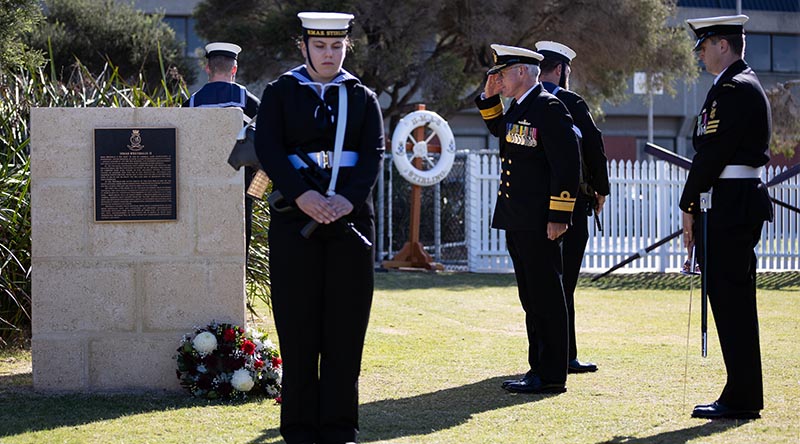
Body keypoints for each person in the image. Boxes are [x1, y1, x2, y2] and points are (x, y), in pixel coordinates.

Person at [254, 12, 384, 443]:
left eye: (336, 46)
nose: (329, 54)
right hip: (295, 222)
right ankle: (298, 427)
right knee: (297, 327)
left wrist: (346, 200)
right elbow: (268, 150)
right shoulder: (280, 93)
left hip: (350, 224)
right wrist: (303, 197)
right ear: (304, 47)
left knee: (346, 330)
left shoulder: (362, 97)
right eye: (320, 46)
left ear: (347, 47)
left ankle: (340, 425)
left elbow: (372, 156)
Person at [681, 14, 772, 420]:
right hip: (730, 200)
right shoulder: (733, 86)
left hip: (731, 203)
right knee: (730, 300)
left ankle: (742, 396)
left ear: (723, 44)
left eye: (704, 45)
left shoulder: (734, 89)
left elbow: (712, 154)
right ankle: (741, 391)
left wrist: (687, 203)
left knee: (732, 302)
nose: (700, 54)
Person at [476, 44, 580, 394]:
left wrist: (559, 215)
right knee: (531, 297)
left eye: (502, 74)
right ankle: (538, 368)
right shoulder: (521, 107)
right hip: (517, 217)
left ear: (522, 72)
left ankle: (551, 374)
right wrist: (488, 98)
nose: (498, 80)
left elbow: (567, 164)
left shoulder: (549, 107)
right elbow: (502, 133)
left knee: (547, 296)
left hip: (539, 221)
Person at [535, 40, 610, 374]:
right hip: (570, 205)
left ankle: (544, 353)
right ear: (561, 70)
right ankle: (563, 356)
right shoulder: (569, 101)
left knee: (540, 282)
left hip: (533, 206)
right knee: (564, 284)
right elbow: (594, 147)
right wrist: (601, 190)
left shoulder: (525, 103)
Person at [184, 42, 261, 255]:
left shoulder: (191, 104)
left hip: (202, 185)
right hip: (242, 186)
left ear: (207, 68)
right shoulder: (251, 103)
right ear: (234, 69)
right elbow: (266, 146)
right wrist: (256, 189)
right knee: (239, 244)